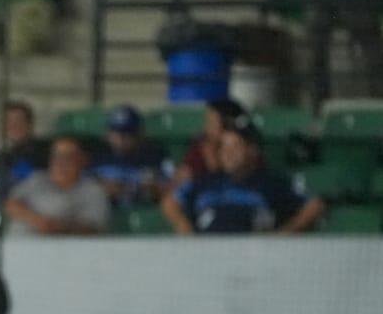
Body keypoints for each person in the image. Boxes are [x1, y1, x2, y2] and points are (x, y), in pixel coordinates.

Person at [161, 115, 324, 234]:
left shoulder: (273, 183)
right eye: (224, 147)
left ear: (252, 150)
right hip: (207, 258)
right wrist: (183, 226)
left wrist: (284, 234)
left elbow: (314, 205)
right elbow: (170, 202)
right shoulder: (204, 181)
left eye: (236, 147)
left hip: (254, 259)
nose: (228, 153)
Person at [4, 136, 110, 235]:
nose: (61, 162)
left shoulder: (93, 191)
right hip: (18, 247)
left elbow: (92, 229)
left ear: (82, 160)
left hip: (66, 250)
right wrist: (37, 221)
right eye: (56, 156)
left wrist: (56, 228)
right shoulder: (37, 179)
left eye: (68, 157)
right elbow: (11, 204)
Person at [88, 104, 169, 209]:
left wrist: (132, 188)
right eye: (116, 133)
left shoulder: (155, 155)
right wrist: (102, 187)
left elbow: (169, 187)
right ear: (108, 134)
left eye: (127, 133)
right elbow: (81, 185)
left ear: (139, 134)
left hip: (144, 210)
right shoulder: (97, 156)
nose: (121, 139)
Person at [0, 100, 52, 204]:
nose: (14, 126)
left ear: (30, 124)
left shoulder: (45, 152)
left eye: (19, 121)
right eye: (8, 122)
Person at [171, 98, 246, 188]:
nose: (207, 128)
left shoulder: (247, 147)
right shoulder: (202, 147)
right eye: (208, 122)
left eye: (212, 122)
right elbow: (180, 179)